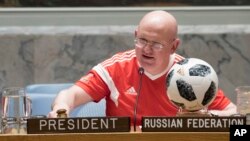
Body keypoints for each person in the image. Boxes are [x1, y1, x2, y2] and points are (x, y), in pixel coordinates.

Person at [48, 10, 237, 126]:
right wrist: (61, 108)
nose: (146, 49)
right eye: (142, 40)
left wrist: (205, 115)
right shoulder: (116, 68)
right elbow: (70, 94)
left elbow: (235, 115)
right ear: (135, 34)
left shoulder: (191, 73)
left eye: (156, 44)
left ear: (173, 46)